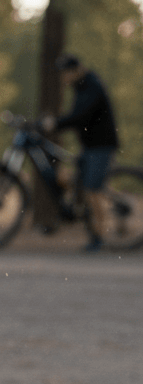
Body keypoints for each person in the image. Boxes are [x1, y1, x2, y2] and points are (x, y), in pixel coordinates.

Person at [40, 54, 120, 251]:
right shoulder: (81, 87)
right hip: (89, 147)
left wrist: (55, 124)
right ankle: (68, 219)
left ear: (76, 71)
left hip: (101, 146)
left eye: (66, 73)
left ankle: (99, 236)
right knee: (72, 181)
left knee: (93, 189)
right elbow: (77, 117)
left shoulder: (92, 85)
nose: (64, 78)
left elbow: (80, 116)